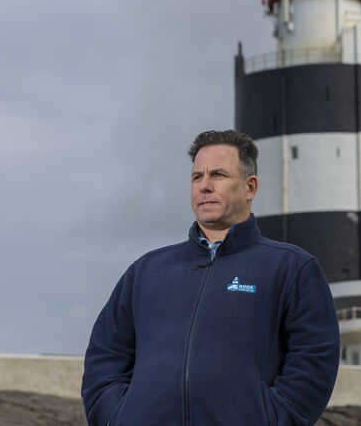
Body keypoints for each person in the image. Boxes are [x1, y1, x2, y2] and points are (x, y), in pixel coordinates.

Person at [81, 129, 340, 425]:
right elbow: (105, 355)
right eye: (196, 177)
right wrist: (115, 417)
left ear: (250, 187)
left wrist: (273, 419)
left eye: (217, 175)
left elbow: (315, 358)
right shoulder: (146, 271)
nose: (204, 186)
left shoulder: (292, 268)